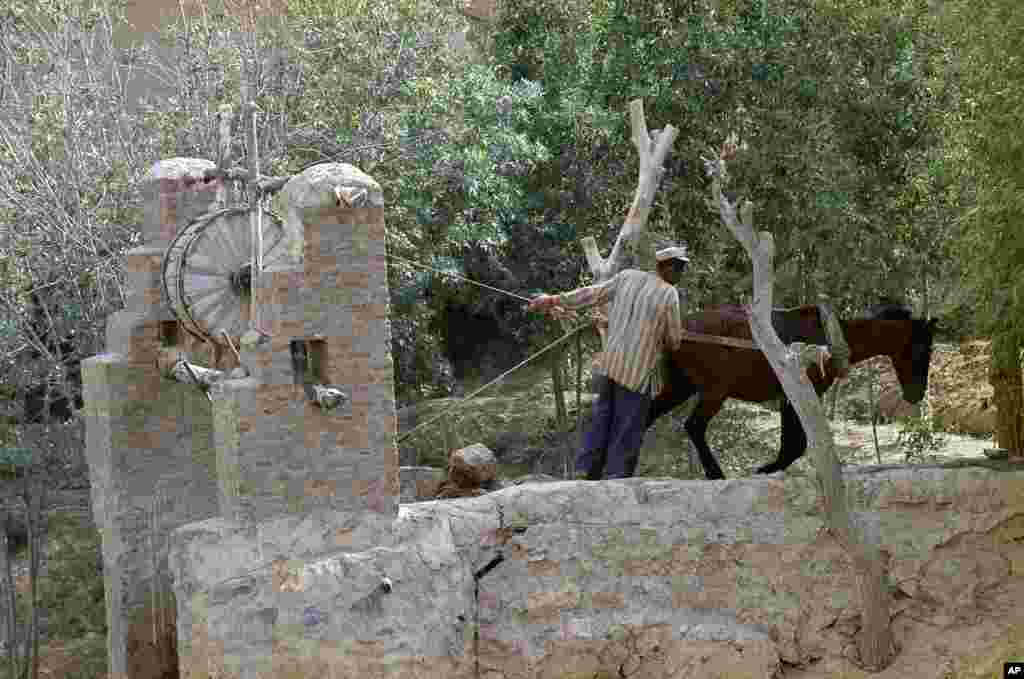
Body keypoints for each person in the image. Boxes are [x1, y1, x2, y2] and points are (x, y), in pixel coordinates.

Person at [527, 245, 689, 479]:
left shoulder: (627, 277)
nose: (681, 274)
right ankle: (616, 478)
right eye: (679, 268)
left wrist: (552, 300)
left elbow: (592, 294)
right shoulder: (668, 294)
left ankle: (585, 471)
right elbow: (674, 341)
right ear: (667, 267)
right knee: (627, 428)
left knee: (601, 419)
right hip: (637, 374)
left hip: (610, 365)